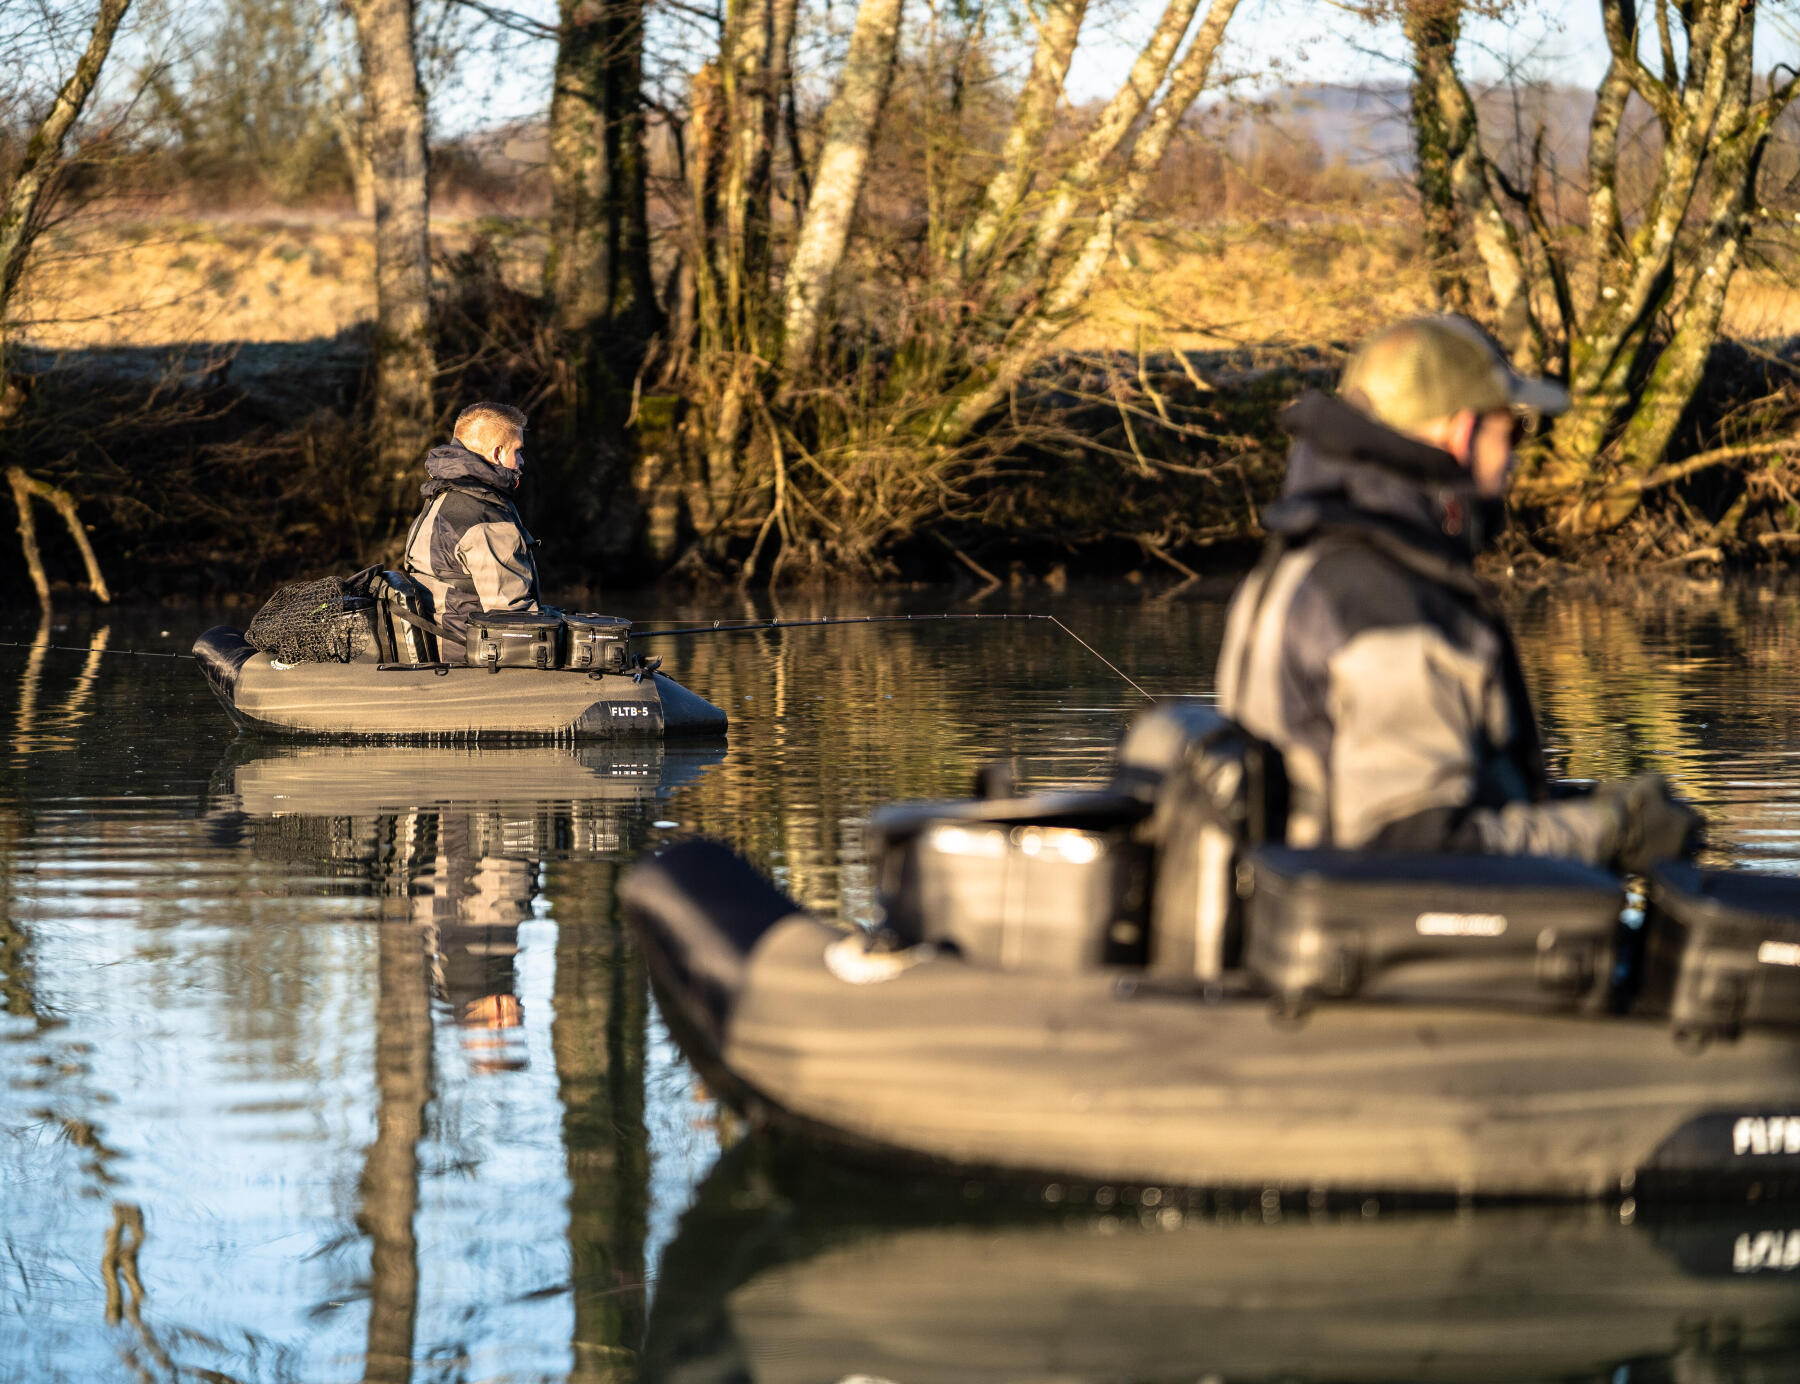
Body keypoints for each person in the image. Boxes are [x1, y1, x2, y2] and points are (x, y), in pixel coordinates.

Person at [1217, 315, 1699, 872]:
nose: (1516, 459)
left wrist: (1587, 806)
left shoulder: (1303, 562)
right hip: (1372, 948)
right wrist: (1615, 832)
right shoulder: (1388, 600)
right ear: (1462, 431)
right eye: (1511, 431)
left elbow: (1414, 799)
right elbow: (1412, 845)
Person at [403, 401, 542, 660]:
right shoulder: (484, 518)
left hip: (442, 658)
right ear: (498, 453)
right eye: (518, 451)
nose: (521, 461)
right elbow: (512, 620)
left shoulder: (438, 499)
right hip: (470, 664)